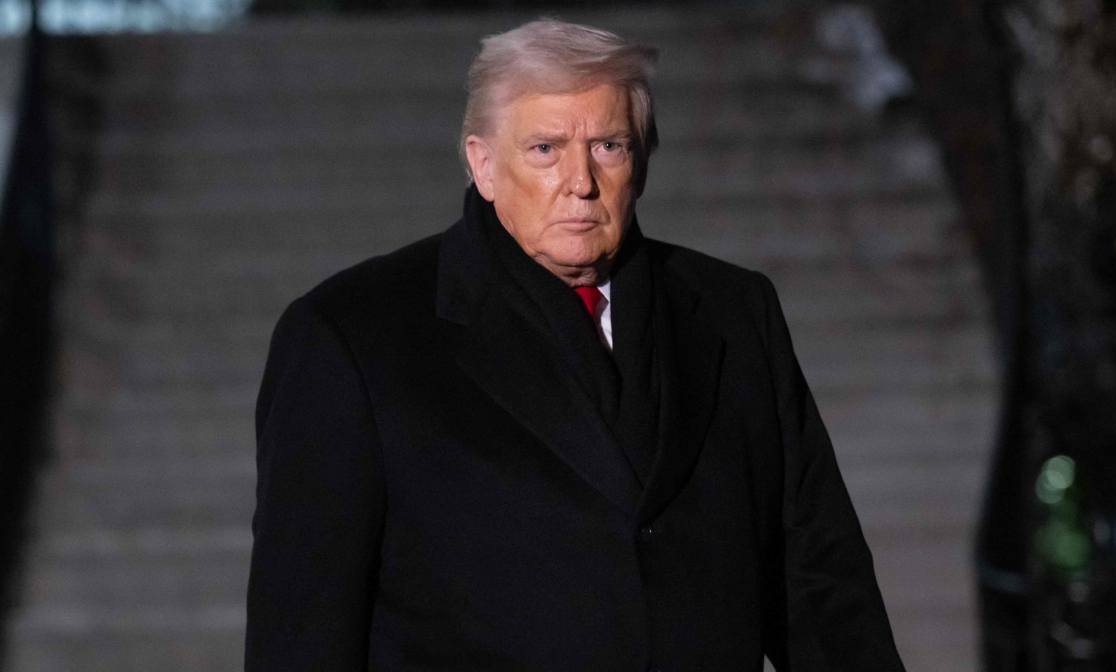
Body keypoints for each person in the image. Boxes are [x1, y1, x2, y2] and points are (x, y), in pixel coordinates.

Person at [245, 19, 905, 672]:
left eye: (609, 146)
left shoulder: (735, 313)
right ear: (483, 163)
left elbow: (819, 583)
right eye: (545, 149)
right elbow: (303, 632)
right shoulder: (351, 336)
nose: (581, 181)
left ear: (641, 160)